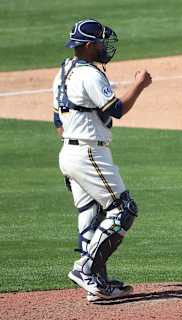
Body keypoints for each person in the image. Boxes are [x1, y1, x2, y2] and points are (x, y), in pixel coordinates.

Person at [52, 19, 152, 302]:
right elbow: (116, 109)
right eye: (99, 42)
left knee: (93, 217)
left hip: (71, 152)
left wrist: (73, 148)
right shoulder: (89, 75)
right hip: (88, 153)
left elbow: (57, 120)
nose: (104, 46)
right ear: (87, 45)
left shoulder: (62, 71)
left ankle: (96, 284)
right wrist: (139, 84)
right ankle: (85, 269)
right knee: (123, 209)